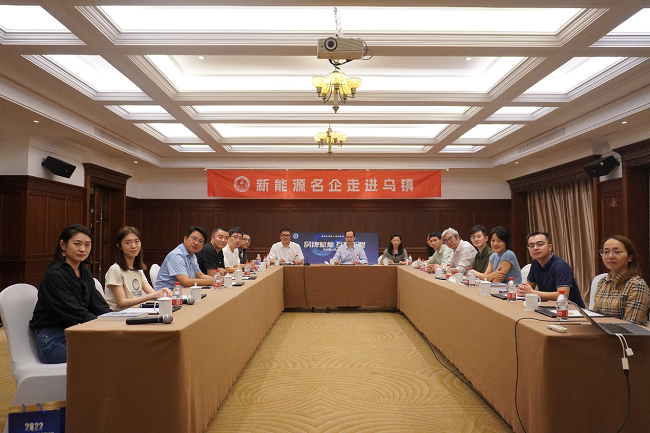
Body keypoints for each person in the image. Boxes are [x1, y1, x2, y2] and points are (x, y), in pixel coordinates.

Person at [29, 224, 111, 364]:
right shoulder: (54, 275)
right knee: (107, 354)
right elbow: (74, 311)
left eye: (87, 245)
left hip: (76, 333)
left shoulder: (85, 273)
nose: (83, 249)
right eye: (77, 244)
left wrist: (117, 320)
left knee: (120, 347)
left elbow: (99, 306)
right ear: (63, 245)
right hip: (52, 340)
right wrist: (105, 326)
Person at [104, 226, 172, 311]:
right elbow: (122, 303)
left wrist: (163, 292)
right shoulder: (115, 269)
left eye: (136, 241)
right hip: (118, 314)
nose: (133, 246)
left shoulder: (138, 270)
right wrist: (152, 295)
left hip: (135, 311)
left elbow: (152, 293)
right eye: (128, 243)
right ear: (119, 246)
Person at [516, 231, 585, 307]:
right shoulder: (535, 263)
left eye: (540, 244)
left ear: (550, 247)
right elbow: (528, 287)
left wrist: (532, 293)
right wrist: (522, 289)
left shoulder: (560, 266)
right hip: (549, 306)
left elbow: (563, 295)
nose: (535, 248)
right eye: (531, 245)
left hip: (570, 309)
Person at [593, 235, 650, 325]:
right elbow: (595, 317)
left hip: (625, 333)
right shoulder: (602, 282)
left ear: (630, 257)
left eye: (617, 252)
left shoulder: (636, 285)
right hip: (602, 332)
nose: (610, 256)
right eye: (606, 252)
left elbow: (631, 326)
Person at [154, 226, 214, 290]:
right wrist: (211, 281)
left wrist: (216, 280)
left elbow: (200, 275)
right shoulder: (176, 255)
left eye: (200, 241)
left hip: (183, 292)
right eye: (194, 238)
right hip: (167, 294)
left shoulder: (192, 256)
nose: (196, 243)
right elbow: (186, 282)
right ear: (185, 239)